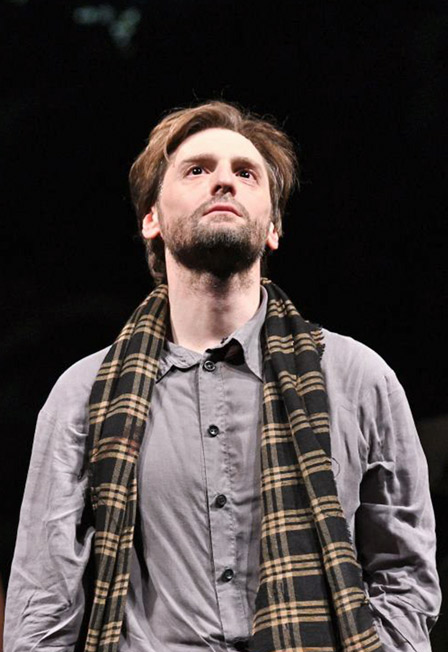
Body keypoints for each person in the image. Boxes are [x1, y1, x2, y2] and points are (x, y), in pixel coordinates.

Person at [4, 101, 441, 652]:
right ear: (151, 219)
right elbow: (42, 603)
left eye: (246, 173)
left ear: (273, 227)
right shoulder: (83, 394)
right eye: (196, 169)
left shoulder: (357, 378)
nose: (224, 182)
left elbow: (404, 576)